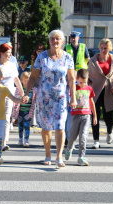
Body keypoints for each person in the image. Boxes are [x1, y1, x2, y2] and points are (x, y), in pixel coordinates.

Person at [22, 29, 77, 169]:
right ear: (49, 41)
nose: (55, 41)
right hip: (44, 97)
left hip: (61, 98)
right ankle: (47, 154)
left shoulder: (68, 58)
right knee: (46, 127)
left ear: (63, 41)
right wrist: (26, 93)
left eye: (58, 39)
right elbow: (33, 77)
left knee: (60, 126)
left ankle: (59, 156)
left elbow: (71, 79)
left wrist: (74, 98)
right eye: (52, 39)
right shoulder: (42, 57)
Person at [0, 43, 24, 151]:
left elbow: (16, 80)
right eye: (8, 53)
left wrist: (22, 93)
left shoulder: (11, 65)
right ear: (1, 53)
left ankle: (3, 142)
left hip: (8, 96)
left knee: (6, 119)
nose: (10, 55)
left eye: (11, 53)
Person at [88, 38, 113, 149]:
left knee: (109, 117)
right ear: (99, 48)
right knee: (95, 115)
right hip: (95, 91)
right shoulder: (93, 60)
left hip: (109, 91)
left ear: (110, 49)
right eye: (102, 48)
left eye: (106, 48)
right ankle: (96, 140)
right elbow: (89, 76)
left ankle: (109, 131)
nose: (103, 50)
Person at [64, 69, 97, 166]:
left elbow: (91, 102)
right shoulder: (74, 88)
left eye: (85, 82)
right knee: (72, 136)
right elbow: (70, 99)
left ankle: (81, 157)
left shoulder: (89, 89)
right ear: (77, 79)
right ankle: (69, 149)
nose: (83, 84)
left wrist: (95, 116)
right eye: (80, 82)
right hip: (75, 115)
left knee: (83, 137)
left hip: (86, 116)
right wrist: (70, 103)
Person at [11, 71, 37, 147]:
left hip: (28, 111)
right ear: (21, 81)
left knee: (27, 125)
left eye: (28, 81)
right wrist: (21, 98)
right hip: (20, 111)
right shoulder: (19, 89)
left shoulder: (33, 90)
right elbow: (16, 98)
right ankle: (20, 138)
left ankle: (26, 140)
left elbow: (35, 99)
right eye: (24, 81)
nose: (26, 83)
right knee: (20, 126)